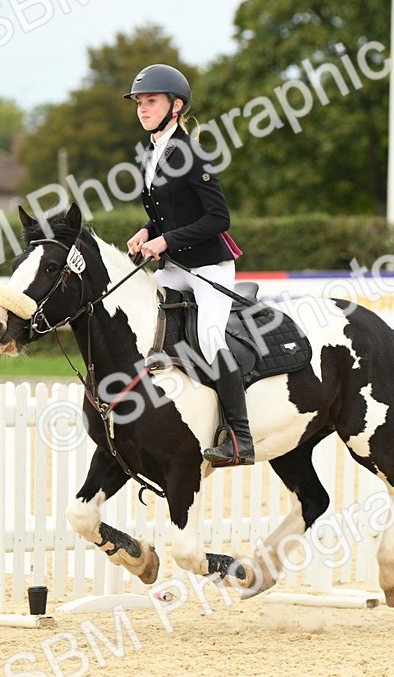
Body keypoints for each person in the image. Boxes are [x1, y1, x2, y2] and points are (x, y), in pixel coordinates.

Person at [124, 63, 253, 468]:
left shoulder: (193, 153)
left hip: (209, 267)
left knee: (211, 338)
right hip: (176, 265)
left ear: (176, 106)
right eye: (139, 103)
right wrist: (147, 231)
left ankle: (240, 438)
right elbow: (169, 214)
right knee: (144, 317)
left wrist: (164, 240)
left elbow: (218, 218)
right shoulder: (151, 153)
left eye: (152, 101)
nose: (143, 109)